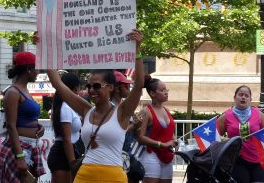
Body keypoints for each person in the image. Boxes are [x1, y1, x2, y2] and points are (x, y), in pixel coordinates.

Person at [47, 29, 144, 182]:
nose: (92, 90)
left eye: (97, 86)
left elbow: (138, 85)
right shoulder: (86, 109)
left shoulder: (122, 112)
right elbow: (58, 84)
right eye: (89, 86)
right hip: (84, 176)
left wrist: (137, 50)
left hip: (113, 177)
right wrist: (45, 50)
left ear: (111, 87)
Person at [0, 51, 45, 183]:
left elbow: (26, 117)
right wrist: (20, 157)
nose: (38, 72)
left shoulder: (25, 91)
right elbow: (11, 126)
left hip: (30, 147)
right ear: (29, 70)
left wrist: (38, 126)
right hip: (18, 149)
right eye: (36, 69)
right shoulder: (13, 92)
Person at [216, 85, 264, 183]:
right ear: (235, 98)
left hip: (259, 160)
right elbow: (215, 136)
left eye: (246, 96)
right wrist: (226, 140)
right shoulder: (226, 116)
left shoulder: (260, 115)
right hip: (237, 161)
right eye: (240, 95)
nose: (243, 97)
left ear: (250, 99)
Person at [136, 75, 177, 183]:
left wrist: (175, 140)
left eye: (166, 89)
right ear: (152, 94)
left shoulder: (166, 110)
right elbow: (140, 137)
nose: (166, 92)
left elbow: (169, 132)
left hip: (167, 156)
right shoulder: (146, 111)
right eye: (162, 90)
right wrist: (161, 144)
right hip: (151, 155)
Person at [47, 72, 85, 183]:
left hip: (66, 153)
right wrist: (72, 162)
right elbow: (66, 139)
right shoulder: (65, 107)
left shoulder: (65, 106)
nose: (79, 92)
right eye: (78, 88)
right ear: (73, 89)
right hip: (63, 155)